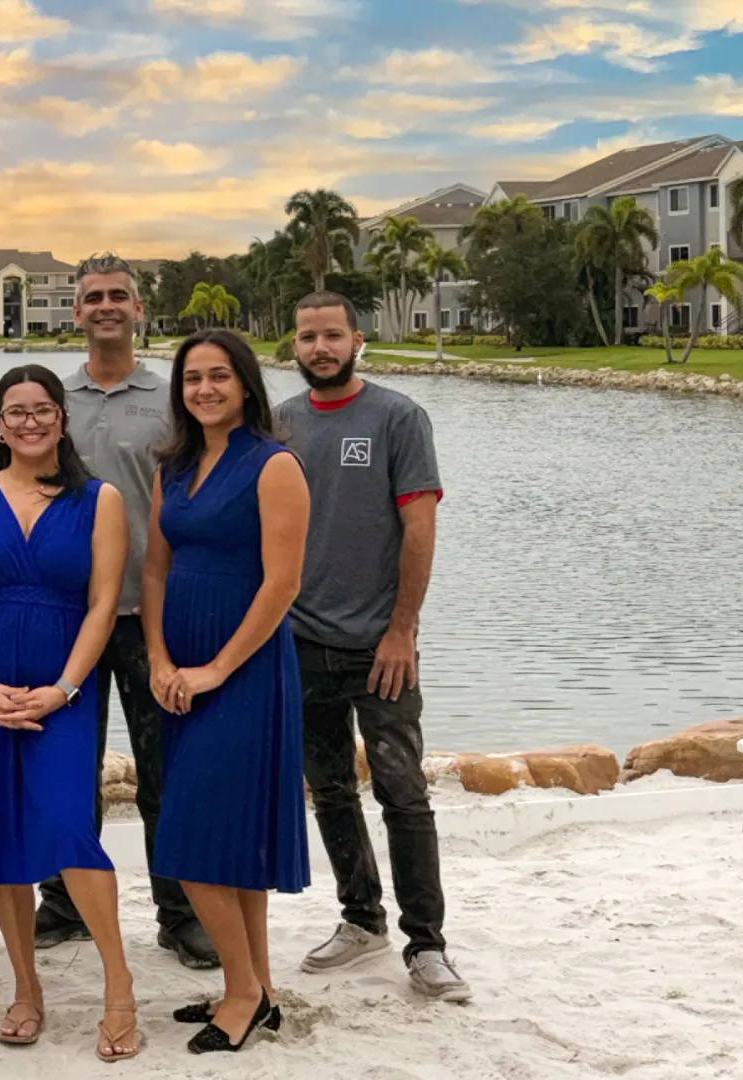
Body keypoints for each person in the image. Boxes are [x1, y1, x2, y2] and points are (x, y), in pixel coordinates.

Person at [0, 365, 141, 1062]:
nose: (29, 422)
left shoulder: (100, 499)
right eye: (16, 412)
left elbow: (104, 604)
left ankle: (118, 986)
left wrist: (64, 688)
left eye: (42, 409)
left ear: (61, 419)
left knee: (66, 825)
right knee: (1, 838)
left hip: (63, 690)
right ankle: (26, 987)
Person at [273, 292, 471, 1003]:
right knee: (329, 791)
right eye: (308, 337)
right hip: (300, 641)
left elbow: (420, 528)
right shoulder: (281, 424)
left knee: (403, 794)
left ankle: (428, 944)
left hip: (379, 646)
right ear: (294, 345)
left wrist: (402, 629)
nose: (320, 348)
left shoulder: (397, 418)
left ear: (357, 339)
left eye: (333, 335)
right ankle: (361, 920)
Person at [39, 254, 215, 971]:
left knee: (163, 772)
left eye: (118, 296)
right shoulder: (53, 399)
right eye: (93, 297)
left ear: (138, 309)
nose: (106, 306)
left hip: (151, 615)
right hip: (66, 614)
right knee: (66, 767)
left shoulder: (173, 398)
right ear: (76, 312)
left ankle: (181, 913)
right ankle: (65, 903)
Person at [145, 329, 311, 1054]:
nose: (204, 389)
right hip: (179, 666)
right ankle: (258, 990)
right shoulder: (172, 466)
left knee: (190, 838)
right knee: (229, 836)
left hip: (243, 670)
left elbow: (283, 583)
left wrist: (217, 668)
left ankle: (241, 992)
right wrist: (158, 656)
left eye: (218, 375)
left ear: (245, 383)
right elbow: (154, 569)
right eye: (192, 378)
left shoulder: (275, 466)